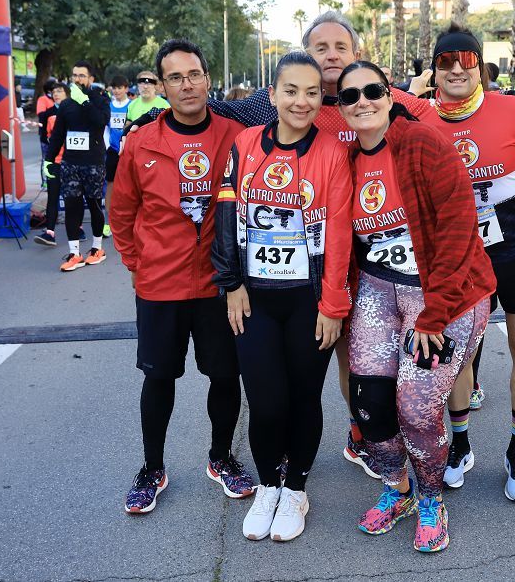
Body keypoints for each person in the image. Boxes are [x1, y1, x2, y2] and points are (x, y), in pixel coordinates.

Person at [201, 11, 436, 479]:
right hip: (307, 271)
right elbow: (220, 110)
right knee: (341, 365)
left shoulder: (374, 96)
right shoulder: (275, 110)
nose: (330, 56)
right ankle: (359, 432)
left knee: (377, 364)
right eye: (319, 48)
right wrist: (152, 112)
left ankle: (390, 439)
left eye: (340, 48)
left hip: (373, 263)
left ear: (357, 55)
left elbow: (433, 118)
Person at [339, 60, 495, 553]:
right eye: (350, 96)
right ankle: (398, 487)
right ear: (340, 108)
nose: (362, 101)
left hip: (442, 294)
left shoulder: (421, 143)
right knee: (369, 404)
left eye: (372, 91)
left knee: (418, 405)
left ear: (390, 96)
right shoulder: (347, 158)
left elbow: (457, 227)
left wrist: (434, 313)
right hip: (378, 289)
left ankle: (432, 497)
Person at [212, 52, 352, 542]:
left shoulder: (333, 152)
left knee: (303, 398)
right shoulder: (246, 143)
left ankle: (296, 489)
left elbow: (338, 235)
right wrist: (230, 283)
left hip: (308, 302)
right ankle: (269, 483)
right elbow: (225, 216)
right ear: (271, 95)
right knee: (266, 401)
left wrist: (333, 304)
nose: (302, 101)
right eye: (291, 91)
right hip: (254, 300)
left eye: (312, 92)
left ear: (321, 99)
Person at [110, 38, 253, 515]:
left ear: (207, 79)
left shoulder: (236, 136)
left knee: (225, 376)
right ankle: (152, 468)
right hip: (161, 285)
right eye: (175, 77)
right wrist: (139, 262)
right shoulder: (141, 142)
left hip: (219, 284)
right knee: (158, 379)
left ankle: (221, 458)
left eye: (194, 74)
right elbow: (123, 211)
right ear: (161, 86)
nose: (187, 84)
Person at [424, 26, 515, 503]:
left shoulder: (512, 108)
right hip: (458, 248)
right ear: (433, 70)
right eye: (445, 61)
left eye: (466, 59)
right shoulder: (421, 119)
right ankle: (459, 446)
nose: (456, 68)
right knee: (460, 350)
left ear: (480, 65)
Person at [44, 61, 110, 271]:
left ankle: (97, 248)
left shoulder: (99, 100)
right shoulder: (66, 105)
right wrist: (49, 158)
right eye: (75, 75)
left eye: (82, 75)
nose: (78, 79)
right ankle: (74, 253)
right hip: (70, 163)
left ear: (90, 79)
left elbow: (101, 122)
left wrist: (86, 103)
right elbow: (57, 135)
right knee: (72, 205)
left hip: (93, 163)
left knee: (93, 205)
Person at [35, 83, 68, 246]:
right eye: (54, 92)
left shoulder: (74, 111)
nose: (56, 94)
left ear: (67, 94)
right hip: (54, 161)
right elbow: (44, 138)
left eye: (60, 91)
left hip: (71, 162)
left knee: (72, 198)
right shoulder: (48, 114)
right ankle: (49, 232)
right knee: (53, 197)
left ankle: (79, 228)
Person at [103, 75, 131, 237]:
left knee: (129, 186)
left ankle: (127, 220)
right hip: (112, 151)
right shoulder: (108, 106)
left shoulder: (132, 105)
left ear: (126, 89)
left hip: (127, 151)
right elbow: (105, 128)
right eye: (114, 88)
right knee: (110, 185)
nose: (117, 91)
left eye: (120, 88)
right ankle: (108, 222)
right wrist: (107, 147)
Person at [36, 78, 58, 187]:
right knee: (46, 158)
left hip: (57, 136)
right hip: (45, 135)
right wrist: (54, 111)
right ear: (49, 90)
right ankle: (45, 181)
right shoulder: (43, 99)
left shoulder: (57, 100)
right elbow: (41, 115)